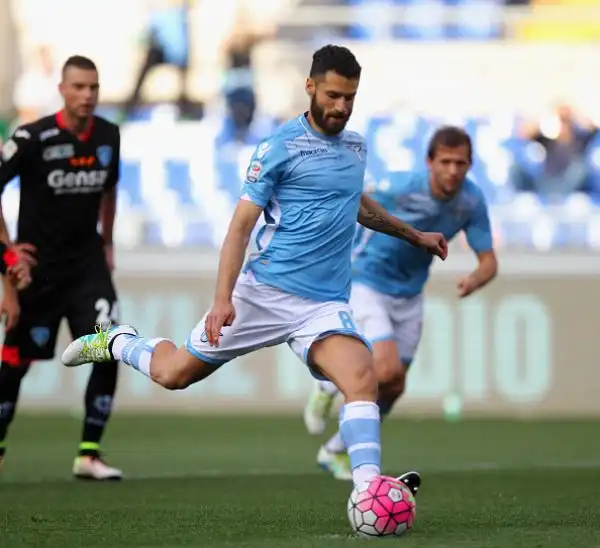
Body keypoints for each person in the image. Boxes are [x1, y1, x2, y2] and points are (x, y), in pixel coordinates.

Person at [61, 45, 447, 494]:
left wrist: (414, 235)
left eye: (350, 98)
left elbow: (356, 204)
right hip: (262, 293)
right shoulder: (279, 148)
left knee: (364, 377)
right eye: (333, 95)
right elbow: (240, 227)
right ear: (311, 87)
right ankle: (120, 341)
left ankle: (367, 491)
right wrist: (223, 298)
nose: (341, 107)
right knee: (174, 375)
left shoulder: (355, 148)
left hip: (322, 304)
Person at [303, 126, 498, 480]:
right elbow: (352, 198)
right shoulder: (401, 186)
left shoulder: (471, 201)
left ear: (470, 165)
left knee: (394, 387)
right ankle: (328, 383)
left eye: (461, 163)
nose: (453, 170)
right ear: (430, 162)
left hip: (410, 294)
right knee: (387, 369)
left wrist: (475, 278)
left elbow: (489, 261)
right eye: (446, 162)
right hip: (367, 281)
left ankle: (335, 451)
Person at [0, 55, 123, 480]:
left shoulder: (108, 135)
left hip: (87, 267)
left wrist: (107, 242)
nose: (87, 95)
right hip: (40, 273)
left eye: (93, 87)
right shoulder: (32, 136)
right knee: (15, 361)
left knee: (110, 347)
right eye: (78, 87)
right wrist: (9, 254)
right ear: (62, 89)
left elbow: (109, 189)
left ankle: (89, 453)